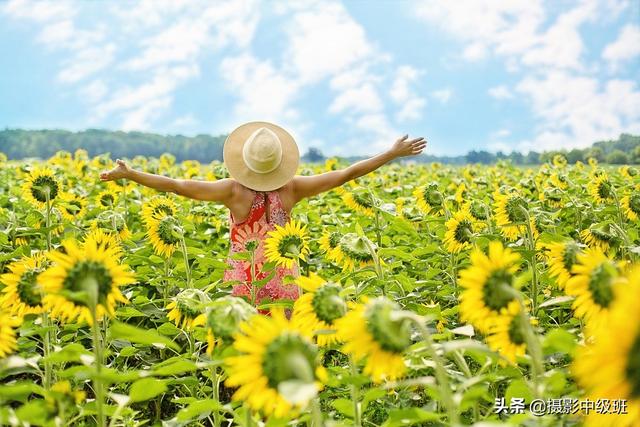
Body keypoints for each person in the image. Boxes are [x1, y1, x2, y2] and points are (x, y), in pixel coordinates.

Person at [100, 121, 426, 310]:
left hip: (248, 284)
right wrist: (391, 153)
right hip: (285, 282)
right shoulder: (293, 189)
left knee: (249, 350)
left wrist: (132, 174)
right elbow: (346, 174)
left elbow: (176, 185)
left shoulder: (233, 192)